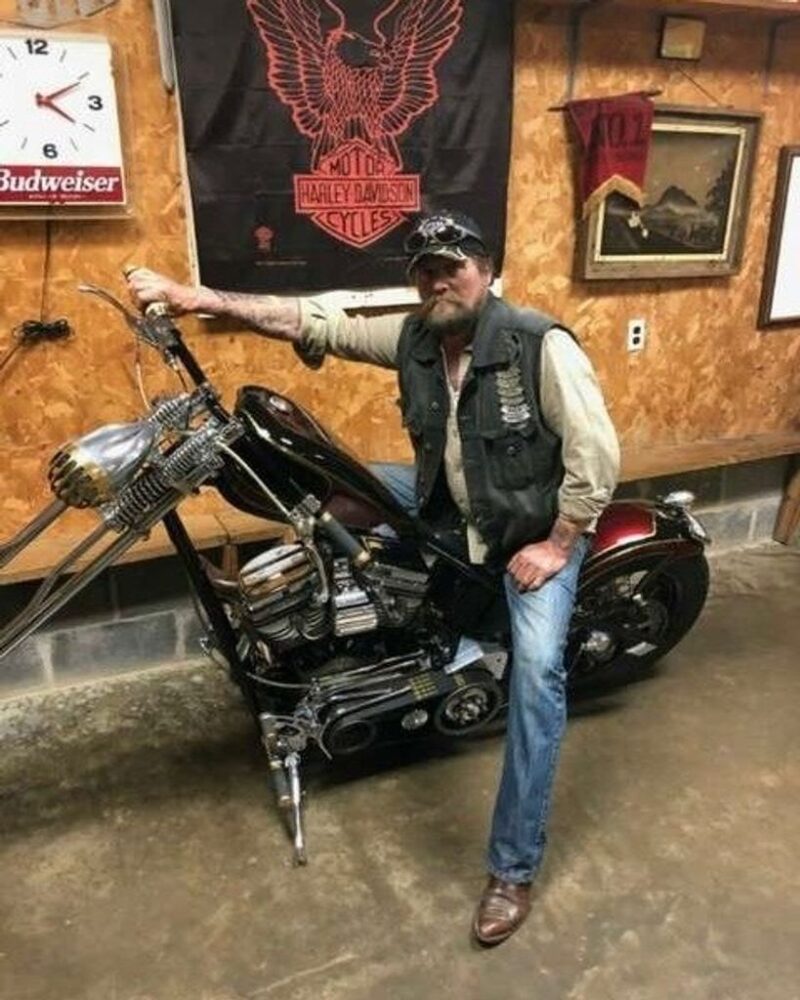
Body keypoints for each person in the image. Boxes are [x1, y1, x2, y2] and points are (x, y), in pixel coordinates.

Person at [126, 211, 620, 946]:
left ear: (486, 270)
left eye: (452, 266)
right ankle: (340, 630)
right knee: (319, 487)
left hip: (531, 528)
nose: (438, 281)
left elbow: (596, 453)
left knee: (537, 677)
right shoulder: (417, 337)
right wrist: (198, 298)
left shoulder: (538, 344)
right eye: (425, 270)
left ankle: (513, 868)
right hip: (446, 503)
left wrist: (557, 544)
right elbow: (314, 321)